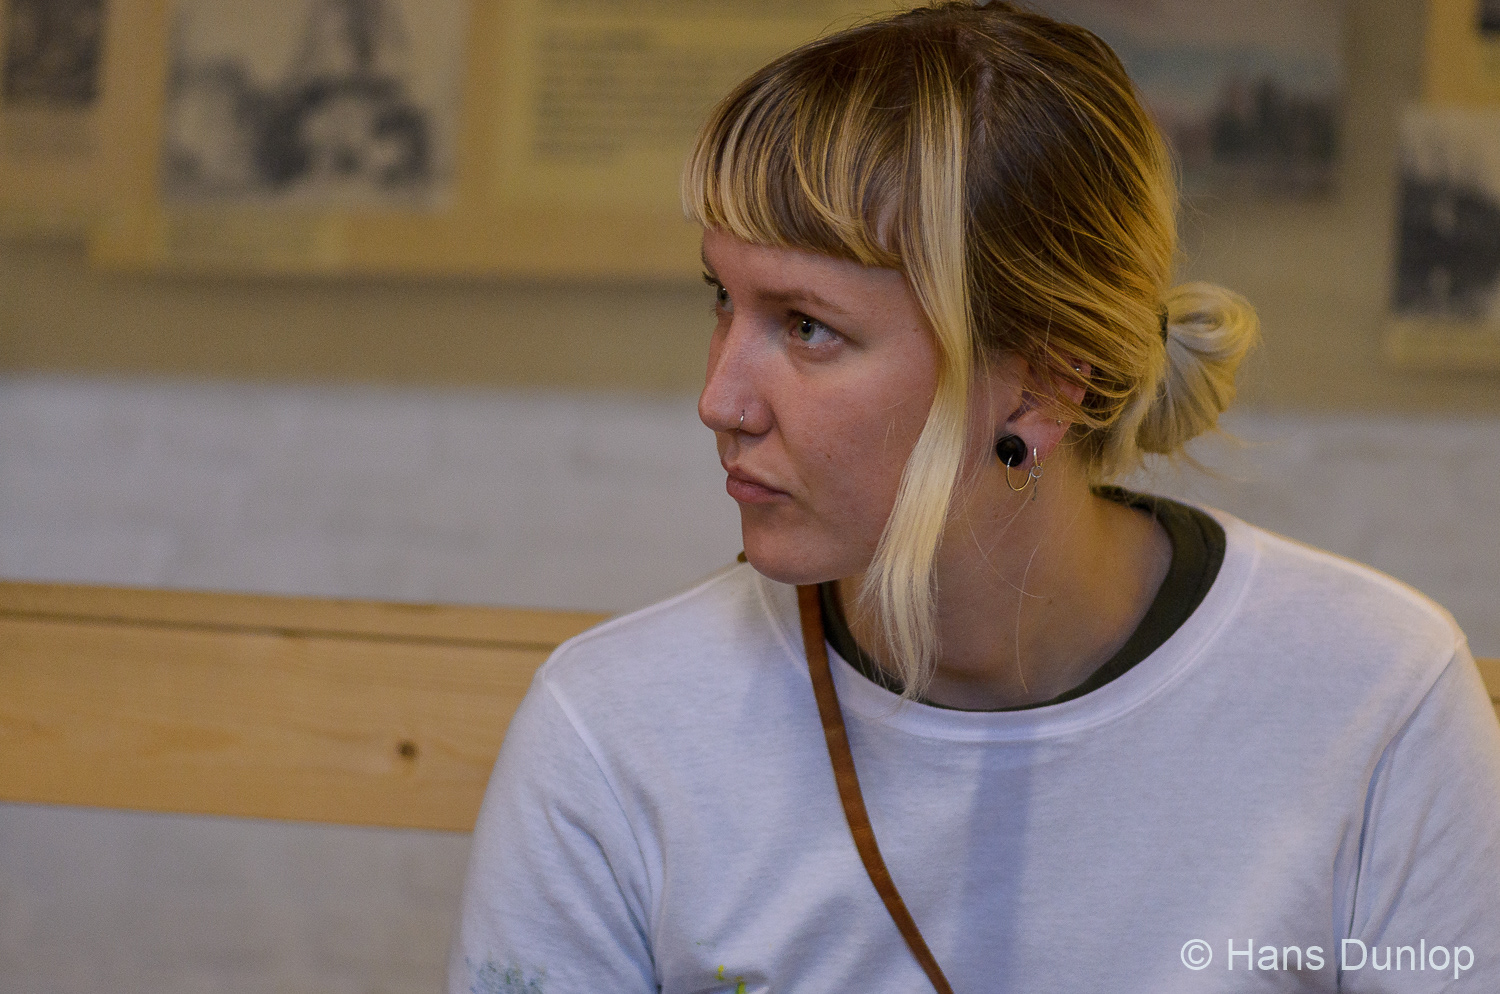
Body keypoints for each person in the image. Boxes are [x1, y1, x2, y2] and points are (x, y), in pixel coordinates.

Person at [450, 4, 1500, 991]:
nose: (719, 399)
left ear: (1042, 385)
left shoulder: (1376, 697)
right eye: (722, 298)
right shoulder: (614, 728)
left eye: (808, 326)